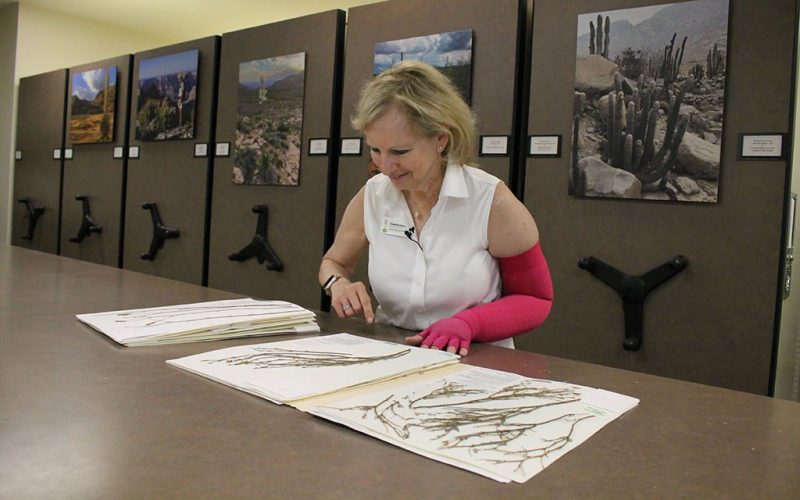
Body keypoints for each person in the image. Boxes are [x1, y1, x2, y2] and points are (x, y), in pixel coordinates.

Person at [319, 60, 553, 356]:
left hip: (474, 360)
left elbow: (535, 299)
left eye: (400, 152)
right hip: (392, 355)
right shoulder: (373, 196)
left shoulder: (490, 201)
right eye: (375, 150)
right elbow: (333, 263)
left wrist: (469, 324)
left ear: (441, 139)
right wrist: (337, 285)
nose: (385, 166)